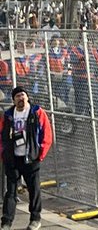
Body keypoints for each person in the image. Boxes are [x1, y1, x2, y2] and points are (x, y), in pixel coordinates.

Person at [1, 86, 53, 230]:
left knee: (34, 189)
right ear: (13, 100)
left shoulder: (36, 112)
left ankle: (35, 219)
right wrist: (4, 154)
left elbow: (47, 133)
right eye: (17, 96)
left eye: (23, 95)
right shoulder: (8, 115)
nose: (21, 98)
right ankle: (6, 222)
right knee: (11, 192)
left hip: (31, 158)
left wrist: (40, 154)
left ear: (27, 97)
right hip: (13, 158)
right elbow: (2, 135)